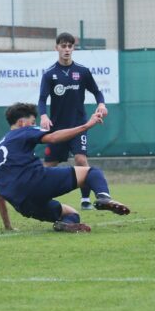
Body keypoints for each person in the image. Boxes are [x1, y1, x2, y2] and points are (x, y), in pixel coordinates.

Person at [0, 103, 130, 233]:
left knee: (71, 213)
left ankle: (65, 224)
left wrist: (7, 225)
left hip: (22, 204)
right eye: (33, 122)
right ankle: (104, 198)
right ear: (22, 122)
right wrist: (87, 125)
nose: (34, 126)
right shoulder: (23, 131)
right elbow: (52, 138)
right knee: (92, 173)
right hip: (34, 182)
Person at [38, 32, 108, 211]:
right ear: (57, 48)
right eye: (63, 46)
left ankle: (85, 199)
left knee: (80, 159)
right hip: (57, 131)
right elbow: (42, 99)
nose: (67, 49)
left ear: (73, 48)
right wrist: (44, 116)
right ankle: (40, 197)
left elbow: (97, 92)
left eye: (70, 46)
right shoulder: (49, 74)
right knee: (49, 166)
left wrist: (101, 104)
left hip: (78, 127)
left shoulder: (82, 71)